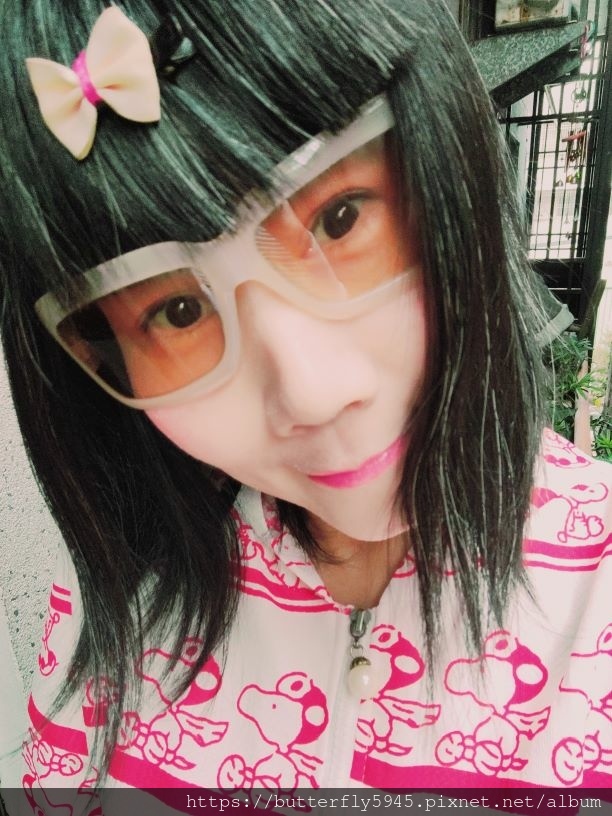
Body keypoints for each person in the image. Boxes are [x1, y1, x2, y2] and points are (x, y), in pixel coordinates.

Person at [0, 0, 610, 809]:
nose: (313, 394)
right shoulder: (123, 590)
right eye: (177, 313)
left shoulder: (595, 598)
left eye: (339, 218)